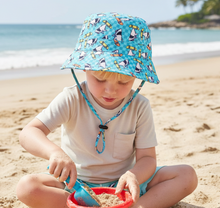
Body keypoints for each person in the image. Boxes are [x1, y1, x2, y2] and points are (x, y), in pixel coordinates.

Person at [16, 12, 198, 208]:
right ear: (84, 69)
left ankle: (133, 206)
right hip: (75, 184)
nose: (110, 90)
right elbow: (29, 133)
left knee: (187, 175)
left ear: (137, 77)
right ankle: (79, 205)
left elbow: (147, 158)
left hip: (124, 185)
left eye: (124, 81)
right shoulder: (72, 98)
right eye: (100, 79)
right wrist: (54, 152)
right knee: (27, 187)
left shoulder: (139, 105)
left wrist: (133, 175)